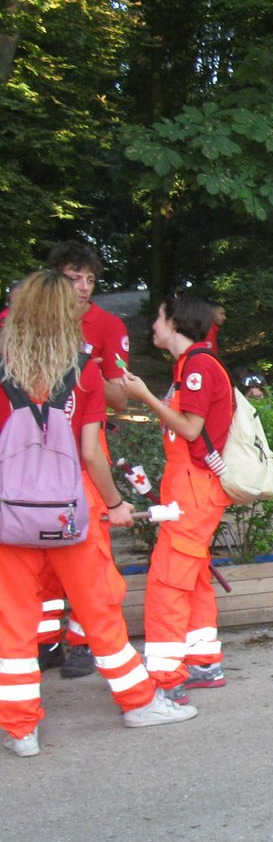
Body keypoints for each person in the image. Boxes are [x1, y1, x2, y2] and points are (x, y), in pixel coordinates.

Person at [0, 271, 196, 756]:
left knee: (12, 619)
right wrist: (116, 505)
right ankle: (137, 703)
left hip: (10, 506)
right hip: (74, 507)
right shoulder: (83, 371)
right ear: (70, 315)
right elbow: (91, 453)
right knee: (99, 607)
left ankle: (21, 729)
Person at [119, 293, 234, 697]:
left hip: (193, 486)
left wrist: (146, 397)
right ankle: (203, 661)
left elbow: (189, 428)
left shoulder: (199, 366)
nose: (153, 324)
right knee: (193, 576)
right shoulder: (192, 365)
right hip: (192, 484)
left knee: (168, 580)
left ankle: (166, 679)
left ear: (176, 323)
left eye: (159, 317)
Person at [31, 241, 132, 679]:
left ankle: (82, 641)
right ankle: (44, 638)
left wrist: (86, 371)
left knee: (91, 550)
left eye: (91, 279)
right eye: (75, 277)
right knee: (35, 548)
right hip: (32, 459)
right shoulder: (16, 323)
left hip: (86, 448)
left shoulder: (106, 325)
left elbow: (120, 395)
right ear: (54, 279)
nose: (84, 287)